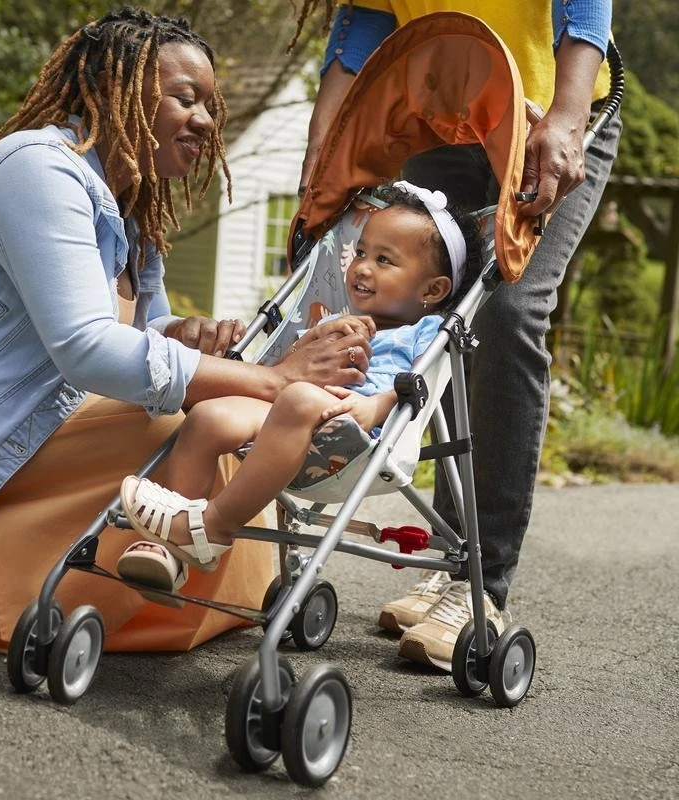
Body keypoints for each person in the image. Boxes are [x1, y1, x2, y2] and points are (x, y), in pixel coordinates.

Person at [0, 8, 373, 653]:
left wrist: (184, 334)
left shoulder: (128, 201)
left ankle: (162, 592)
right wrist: (274, 378)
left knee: (223, 413)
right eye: (185, 98)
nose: (205, 120)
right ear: (113, 93)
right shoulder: (40, 169)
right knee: (194, 425)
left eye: (212, 105)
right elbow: (88, 348)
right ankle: (98, 598)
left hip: (1, 421)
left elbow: (144, 328)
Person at [290, 0, 621, 672]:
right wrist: (324, 153)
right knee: (423, 314)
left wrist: (567, 116)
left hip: (543, 116)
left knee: (504, 312)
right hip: (444, 119)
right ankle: (451, 569)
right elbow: (365, 25)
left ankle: (483, 588)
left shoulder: (561, 113)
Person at [115, 182, 483, 600]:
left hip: (360, 434)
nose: (362, 267)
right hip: (290, 416)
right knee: (209, 416)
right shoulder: (337, 321)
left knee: (299, 398)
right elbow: (285, 372)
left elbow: (419, 388)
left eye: (384, 260)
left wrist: (375, 407)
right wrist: (308, 343)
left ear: (432, 290)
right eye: (360, 253)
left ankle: (213, 526)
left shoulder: (427, 331)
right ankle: (170, 551)